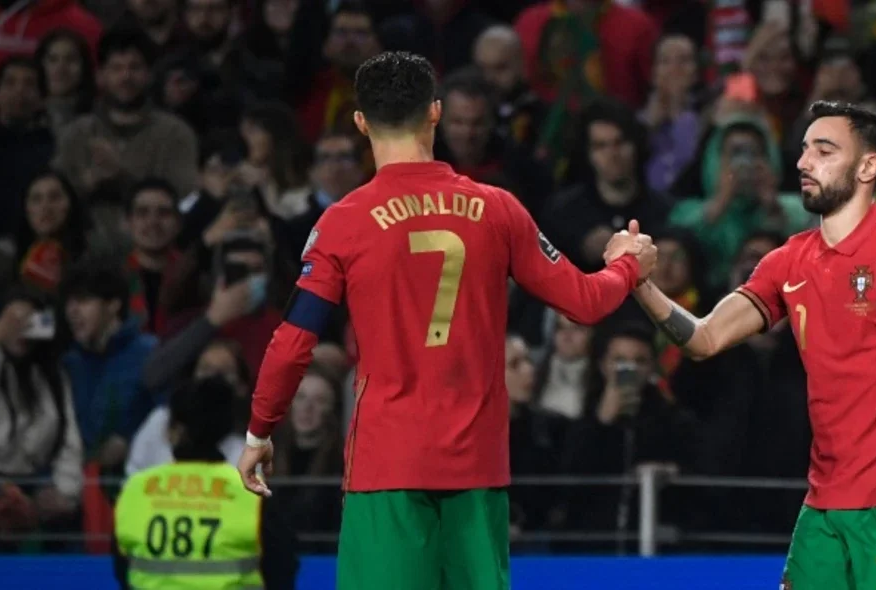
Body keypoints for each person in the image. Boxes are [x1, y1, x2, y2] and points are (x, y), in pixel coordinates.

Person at [237, 51, 656, 590]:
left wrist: (259, 432)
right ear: (435, 112)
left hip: (385, 468)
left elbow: (293, 343)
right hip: (477, 469)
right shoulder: (499, 209)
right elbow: (587, 302)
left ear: (361, 121)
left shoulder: (343, 222)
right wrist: (627, 263)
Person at [630, 101, 876, 590]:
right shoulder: (786, 261)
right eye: (804, 150)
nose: (803, 162)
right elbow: (705, 338)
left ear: (868, 166)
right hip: (822, 504)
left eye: (824, 150)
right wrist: (642, 285)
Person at [113, 376, 297, 590]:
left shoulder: (137, 489)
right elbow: (282, 569)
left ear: (176, 430)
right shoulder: (250, 492)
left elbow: (123, 568)